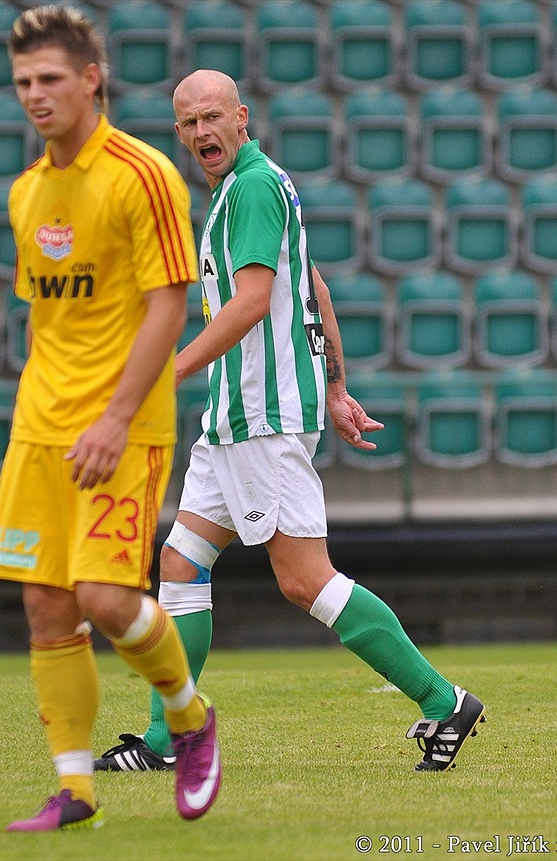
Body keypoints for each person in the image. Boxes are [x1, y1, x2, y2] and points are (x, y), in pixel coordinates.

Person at [95, 69, 486, 777]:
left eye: (214, 117)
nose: (203, 132)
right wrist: (336, 384)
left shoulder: (246, 187)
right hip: (234, 419)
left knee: (307, 580)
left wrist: (166, 370)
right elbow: (314, 285)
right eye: (189, 123)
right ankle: (164, 739)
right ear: (179, 133)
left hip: (261, 418)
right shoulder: (255, 185)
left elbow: (250, 304)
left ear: (241, 117)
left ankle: (443, 698)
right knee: (180, 562)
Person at [0, 7, 221, 831]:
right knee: (48, 608)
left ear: (91, 79)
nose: (34, 96)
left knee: (107, 598)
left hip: (124, 425)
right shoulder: (26, 192)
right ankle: (76, 789)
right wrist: (38, 415)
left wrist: (116, 416)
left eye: (49, 79)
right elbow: (50, 321)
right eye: (22, 83)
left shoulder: (144, 173)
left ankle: (190, 716)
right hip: (40, 430)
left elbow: (168, 304)